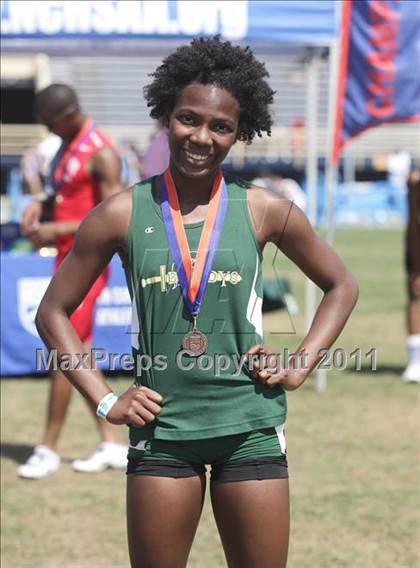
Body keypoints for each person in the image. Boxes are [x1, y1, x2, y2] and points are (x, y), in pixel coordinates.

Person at [35, 38, 358, 567]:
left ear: (240, 132)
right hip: (162, 433)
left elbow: (342, 284)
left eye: (221, 127)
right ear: (167, 114)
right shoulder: (121, 212)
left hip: (249, 426)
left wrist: (300, 365)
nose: (201, 137)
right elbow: (52, 313)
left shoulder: (263, 209)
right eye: (189, 119)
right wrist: (105, 400)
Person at [19, 84, 127, 479]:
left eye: (50, 123)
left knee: (64, 354)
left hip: (88, 265)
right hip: (67, 259)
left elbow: (115, 218)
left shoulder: (101, 153)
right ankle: (112, 442)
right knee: (78, 351)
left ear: (66, 115)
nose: (48, 131)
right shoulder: (68, 144)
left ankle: (47, 448)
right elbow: (61, 191)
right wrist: (41, 204)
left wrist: (56, 228)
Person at [402, 169, 420, 382]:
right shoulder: (416, 182)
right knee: (416, 295)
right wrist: (417, 267)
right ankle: (416, 361)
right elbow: (414, 223)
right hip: (417, 243)